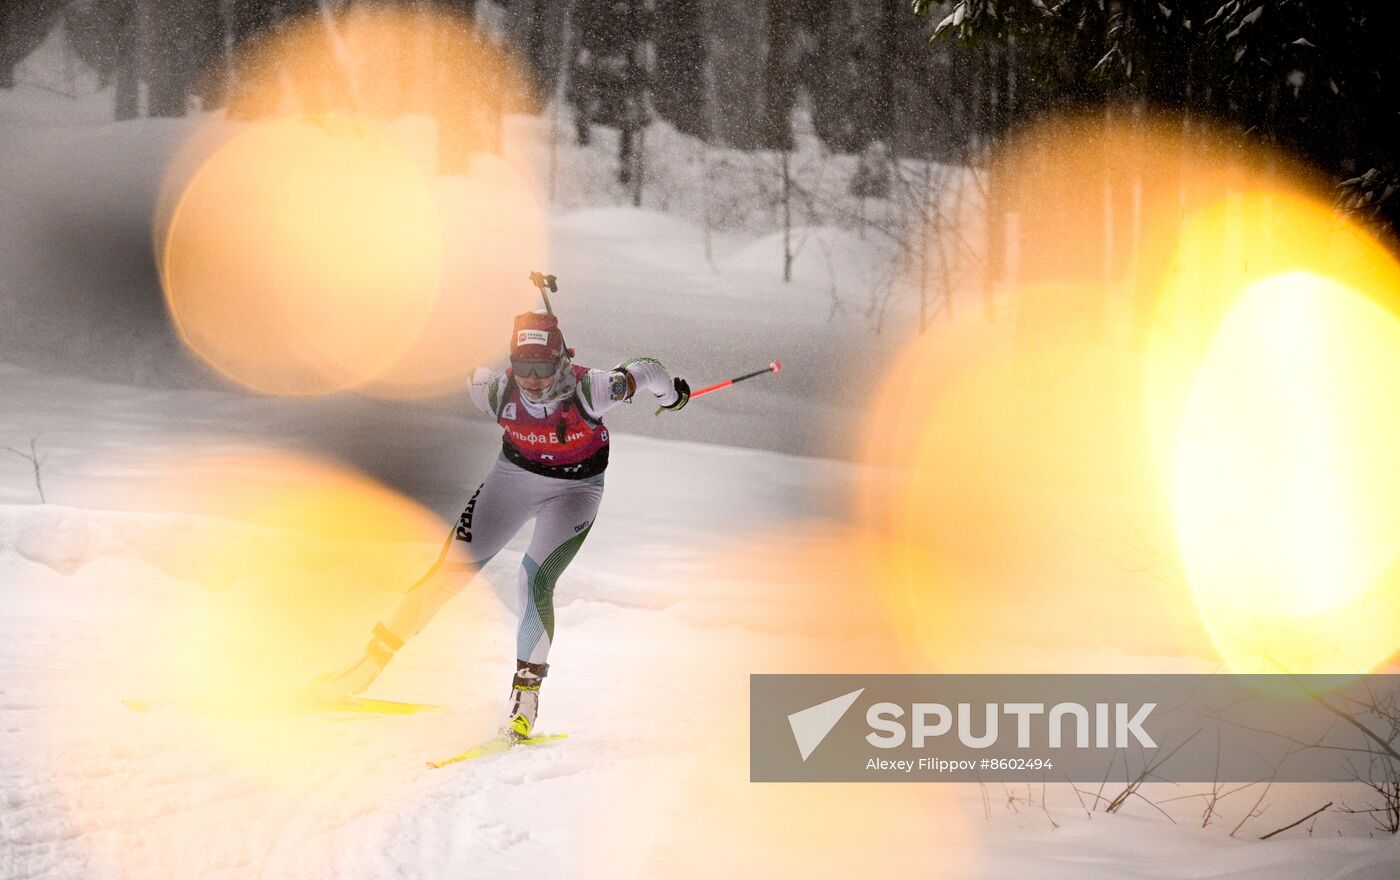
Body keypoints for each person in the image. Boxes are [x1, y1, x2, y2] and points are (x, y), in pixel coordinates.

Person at [313, 310, 689, 740]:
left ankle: (524, 703)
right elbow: (454, 361)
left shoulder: (593, 389)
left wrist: (670, 396)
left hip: (575, 493)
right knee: (448, 571)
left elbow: (647, 369)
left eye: (542, 368)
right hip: (511, 481)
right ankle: (363, 670)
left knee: (534, 580)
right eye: (522, 367)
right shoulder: (494, 390)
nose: (532, 379)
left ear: (562, 360)